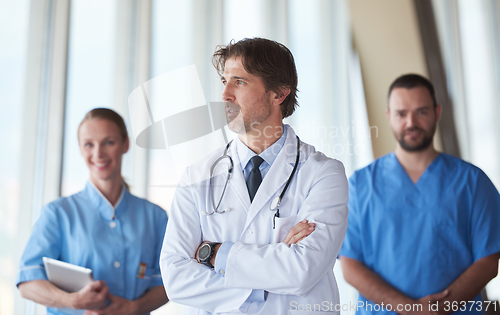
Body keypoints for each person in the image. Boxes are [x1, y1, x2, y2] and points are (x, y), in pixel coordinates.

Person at [160, 37, 349, 314]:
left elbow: (302, 269)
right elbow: (176, 279)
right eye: (224, 81)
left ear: (279, 93)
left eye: (239, 82)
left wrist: (214, 254)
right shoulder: (197, 176)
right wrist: (264, 281)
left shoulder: (323, 174)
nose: (225, 95)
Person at [339, 74, 500, 315]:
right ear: (389, 117)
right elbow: (350, 264)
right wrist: (409, 309)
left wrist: (441, 308)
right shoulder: (360, 185)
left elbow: (488, 261)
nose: (411, 122)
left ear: (437, 112)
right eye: (401, 114)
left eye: (421, 112)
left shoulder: (473, 182)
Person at [17, 108, 169, 315]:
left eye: (108, 142)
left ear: (125, 145)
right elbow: (28, 282)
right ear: (80, 149)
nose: (98, 153)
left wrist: (133, 308)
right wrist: (71, 301)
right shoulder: (58, 214)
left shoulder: (155, 217)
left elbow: (171, 281)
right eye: (89, 144)